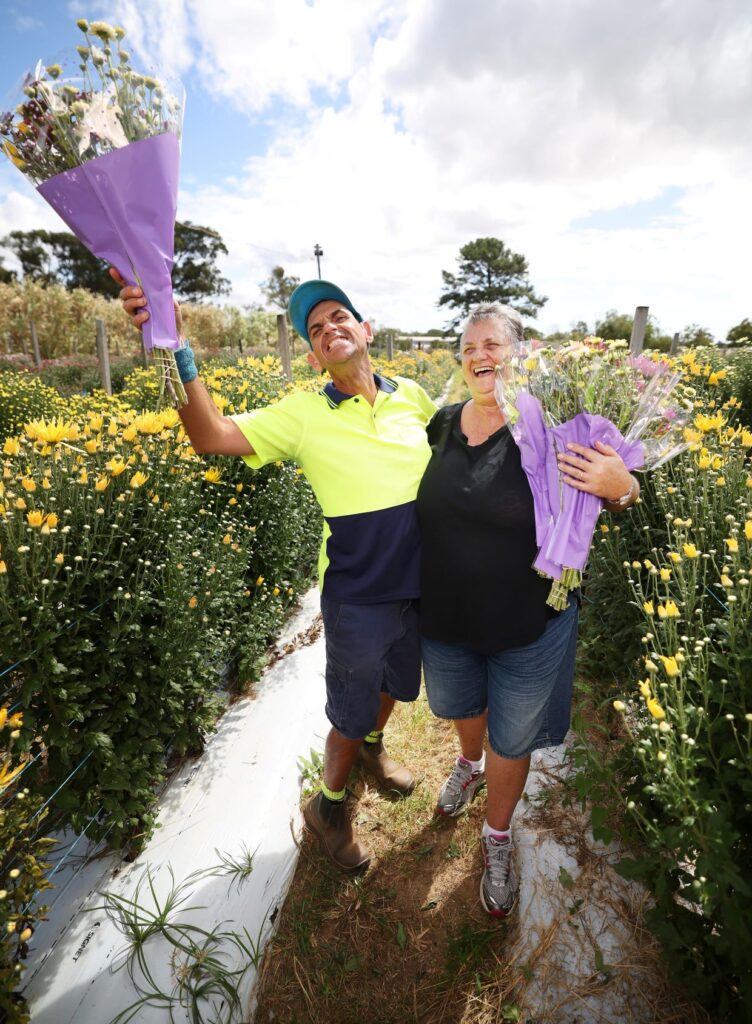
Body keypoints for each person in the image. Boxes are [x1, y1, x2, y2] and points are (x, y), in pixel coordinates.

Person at [112, 269, 436, 873]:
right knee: (349, 706)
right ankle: (329, 807)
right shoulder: (303, 412)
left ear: (365, 329)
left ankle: (372, 748)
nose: (328, 328)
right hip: (359, 593)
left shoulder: (412, 395)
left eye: (338, 316)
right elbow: (210, 435)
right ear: (316, 358)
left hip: (418, 586)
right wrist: (172, 346)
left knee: (395, 684)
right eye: (315, 330)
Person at [415, 302, 639, 917]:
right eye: (469, 347)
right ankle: (467, 761)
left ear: (520, 352)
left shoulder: (552, 425)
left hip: (527, 623)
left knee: (511, 737)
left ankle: (497, 838)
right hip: (449, 619)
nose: (481, 356)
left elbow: (611, 489)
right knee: (462, 706)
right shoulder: (439, 424)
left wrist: (625, 485)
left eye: (493, 344)